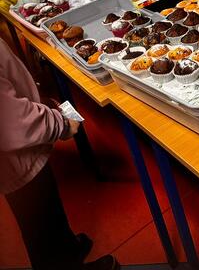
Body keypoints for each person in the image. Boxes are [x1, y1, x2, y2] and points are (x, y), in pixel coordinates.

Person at [0, 38, 119, 270]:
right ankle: (61, 261)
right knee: (39, 218)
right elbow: (11, 120)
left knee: (48, 211)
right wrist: (61, 124)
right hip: (15, 158)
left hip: (18, 154)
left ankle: (66, 249)